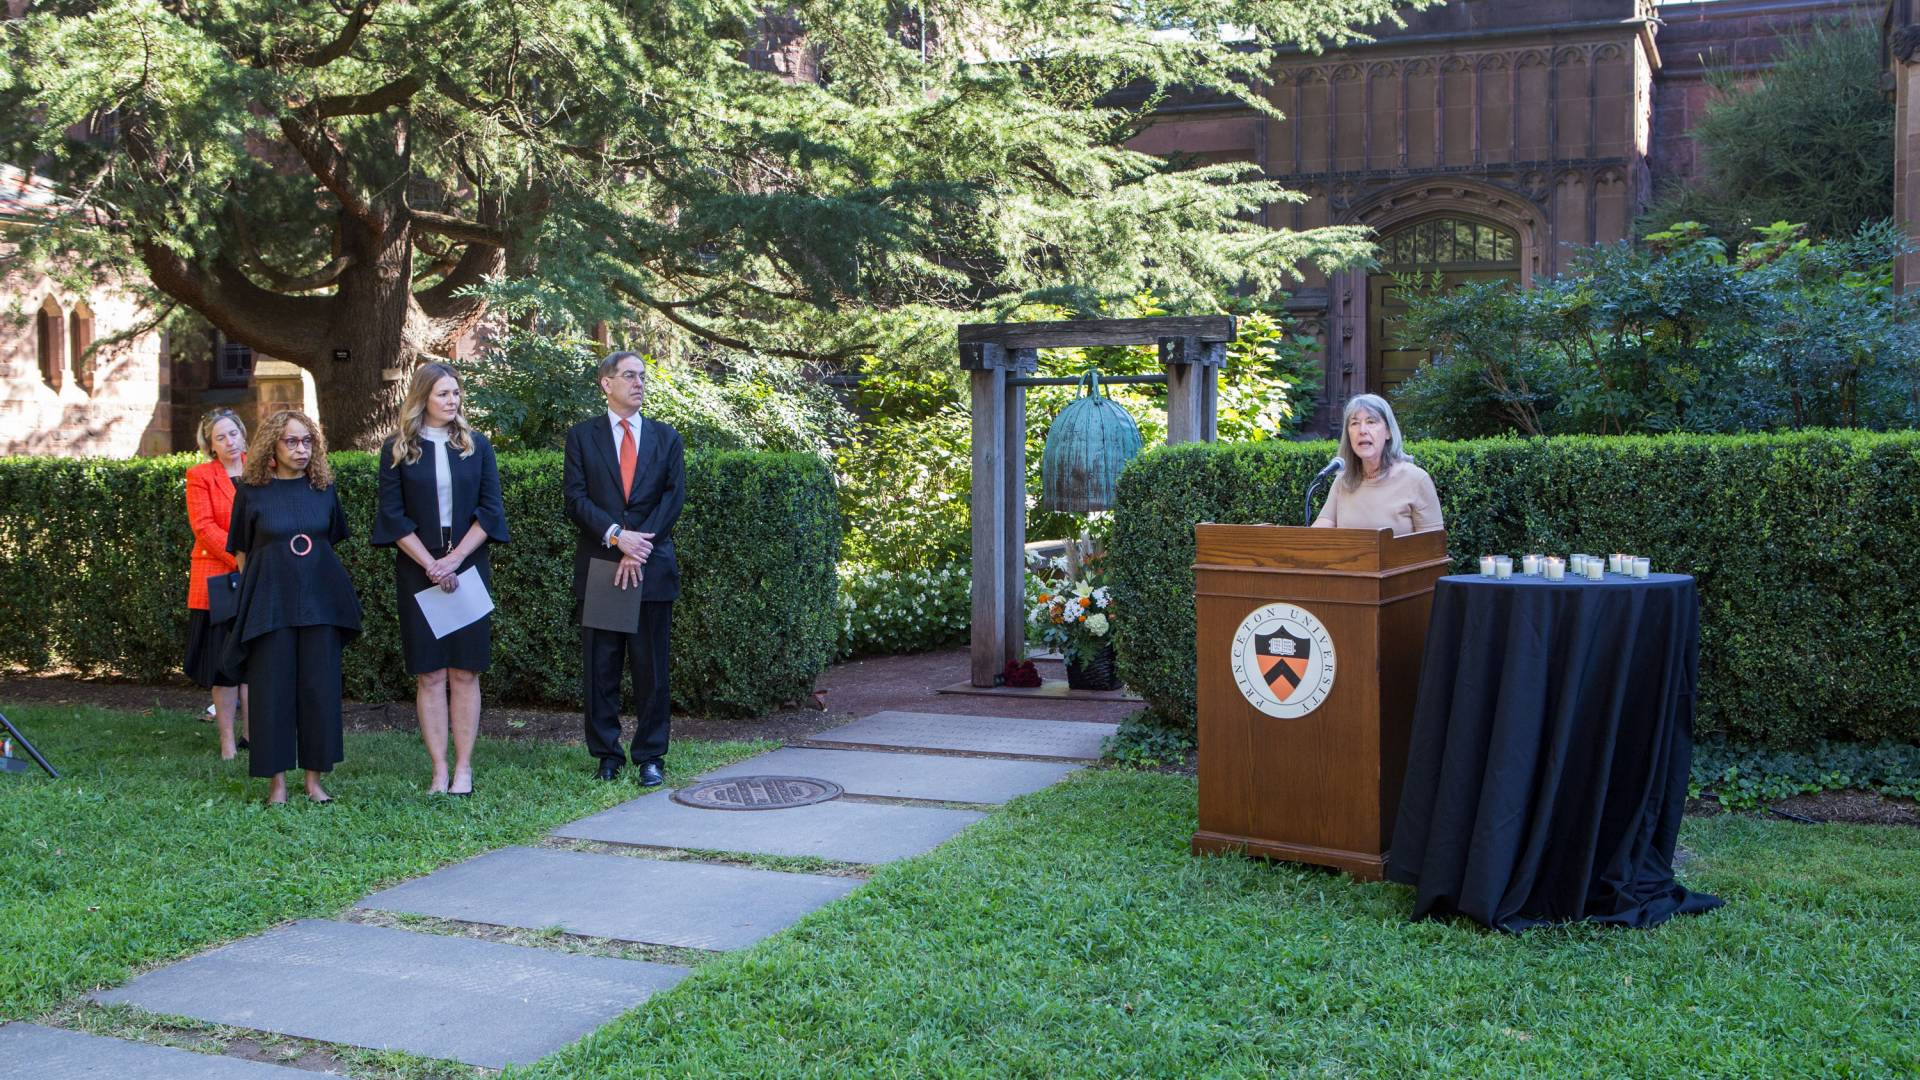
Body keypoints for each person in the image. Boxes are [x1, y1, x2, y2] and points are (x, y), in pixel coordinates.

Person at [372, 363, 509, 796]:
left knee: (466, 672)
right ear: (422, 398)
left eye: (456, 393)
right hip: (418, 571)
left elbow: (490, 512)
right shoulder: (398, 448)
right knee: (430, 674)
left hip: (467, 568)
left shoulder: (476, 446)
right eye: (443, 394)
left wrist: (453, 560)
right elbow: (392, 517)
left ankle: (464, 769)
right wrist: (431, 563)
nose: (452, 401)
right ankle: (438, 770)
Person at [223, 409, 362, 805]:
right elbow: (242, 552)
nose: (301, 449)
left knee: (319, 689)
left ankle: (315, 781)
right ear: (272, 445)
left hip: (320, 603)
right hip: (271, 605)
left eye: (307, 442)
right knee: (272, 692)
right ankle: (277, 785)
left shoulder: (324, 489)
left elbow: (327, 543)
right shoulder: (251, 492)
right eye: (292, 441)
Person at [562, 351, 685, 786]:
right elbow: (575, 499)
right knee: (603, 668)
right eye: (629, 376)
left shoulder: (666, 438)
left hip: (649, 566)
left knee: (651, 669)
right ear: (606, 384)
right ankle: (607, 755)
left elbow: (673, 499)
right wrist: (618, 537)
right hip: (605, 566)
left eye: (642, 376)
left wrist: (638, 546)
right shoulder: (582, 437)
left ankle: (651, 756)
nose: (639, 383)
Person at [183, 408, 251, 759]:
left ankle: (253, 736)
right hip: (219, 578)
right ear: (210, 445)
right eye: (220, 437)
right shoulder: (200, 476)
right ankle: (227, 740)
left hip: (261, 576)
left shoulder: (263, 469)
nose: (229, 441)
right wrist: (241, 558)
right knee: (224, 664)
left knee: (257, 659)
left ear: (243, 434)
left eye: (233, 433)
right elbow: (204, 528)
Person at [1311, 393, 1444, 536]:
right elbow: (1322, 528)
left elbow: (1433, 547)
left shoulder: (1416, 479)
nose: (1362, 431)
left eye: (1371, 422)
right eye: (1354, 423)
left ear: (1388, 432)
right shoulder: (1344, 480)